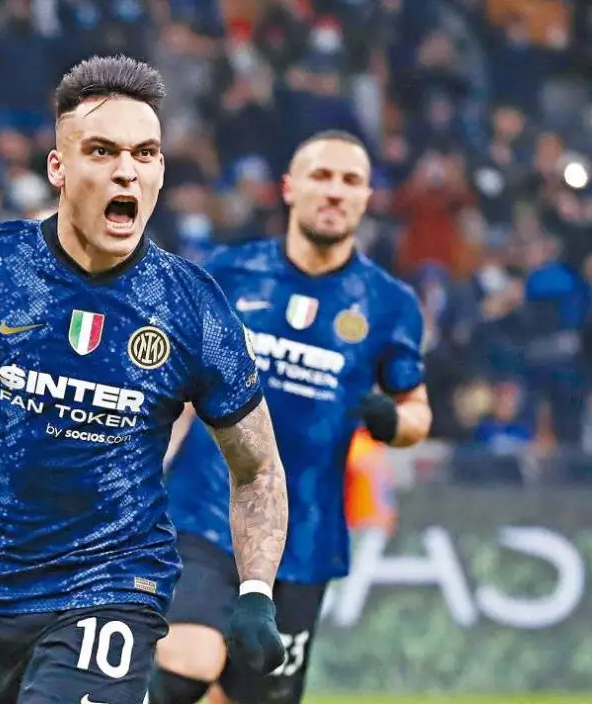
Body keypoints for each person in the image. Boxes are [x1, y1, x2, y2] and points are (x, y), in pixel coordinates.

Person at [0, 55, 288, 704]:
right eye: (102, 151)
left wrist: (256, 590)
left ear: (160, 171)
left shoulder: (194, 309)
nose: (127, 170)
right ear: (58, 167)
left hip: (114, 585)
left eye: (145, 153)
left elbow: (259, 469)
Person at [151, 130, 433, 704]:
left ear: (366, 197)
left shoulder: (389, 303)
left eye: (350, 181)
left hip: (306, 536)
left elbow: (417, 413)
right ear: (289, 188)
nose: (335, 191)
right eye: (321, 176)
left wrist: (390, 422)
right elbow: (174, 389)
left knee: (248, 695)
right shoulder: (228, 273)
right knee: (186, 662)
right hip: (206, 510)